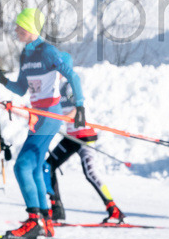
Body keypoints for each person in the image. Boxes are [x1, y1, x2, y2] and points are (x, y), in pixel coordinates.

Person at [0, 7, 84, 239]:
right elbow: (22, 88)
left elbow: (73, 76)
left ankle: (35, 221)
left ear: (30, 27)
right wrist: (2, 79)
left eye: (19, 26)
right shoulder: (26, 55)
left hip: (49, 115)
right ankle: (45, 221)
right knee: (34, 167)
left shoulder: (47, 51)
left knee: (22, 166)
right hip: (38, 117)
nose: (15, 30)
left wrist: (80, 105)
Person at [46, 81, 124, 224]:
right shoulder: (52, 86)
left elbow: (78, 107)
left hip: (84, 136)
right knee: (48, 166)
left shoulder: (68, 85)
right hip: (71, 137)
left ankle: (114, 210)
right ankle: (57, 209)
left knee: (90, 173)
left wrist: (61, 119)